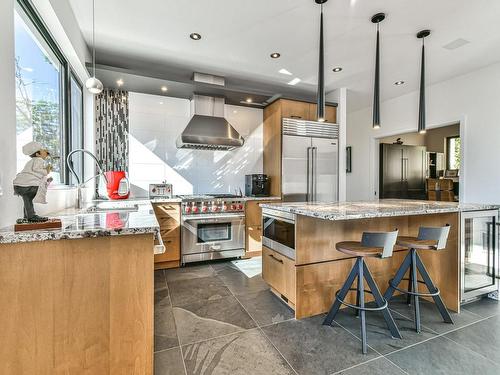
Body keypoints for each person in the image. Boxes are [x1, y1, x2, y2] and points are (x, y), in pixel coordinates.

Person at [13, 141, 52, 222]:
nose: (46, 151)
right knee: (29, 197)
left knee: (27, 199)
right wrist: (46, 171)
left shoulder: (33, 160)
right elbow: (36, 169)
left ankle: (27, 216)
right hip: (26, 185)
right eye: (43, 150)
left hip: (20, 185)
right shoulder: (39, 159)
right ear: (38, 154)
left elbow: (35, 173)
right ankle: (31, 216)